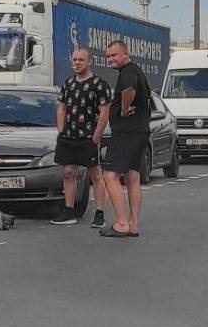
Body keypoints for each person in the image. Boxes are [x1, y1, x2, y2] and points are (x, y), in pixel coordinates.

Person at [51, 48, 111, 227]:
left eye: (81, 60)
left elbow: (104, 111)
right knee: (68, 173)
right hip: (68, 137)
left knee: (95, 175)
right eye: (74, 60)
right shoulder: (67, 83)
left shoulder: (99, 84)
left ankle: (99, 213)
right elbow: (61, 107)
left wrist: (96, 137)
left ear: (89, 61)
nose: (77, 63)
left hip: (88, 137)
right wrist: (61, 131)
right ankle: (69, 211)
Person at [99, 40, 152, 239]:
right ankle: (133, 224)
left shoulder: (128, 71)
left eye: (114, 55)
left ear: (125, 54)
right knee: (132, 177)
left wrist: (122, 108)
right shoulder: (136, 70)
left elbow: (129, 88)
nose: (110, 59)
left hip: (127, 132)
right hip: (140, 131)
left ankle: (121, 223)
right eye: (108, 56)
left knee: (110, 174)